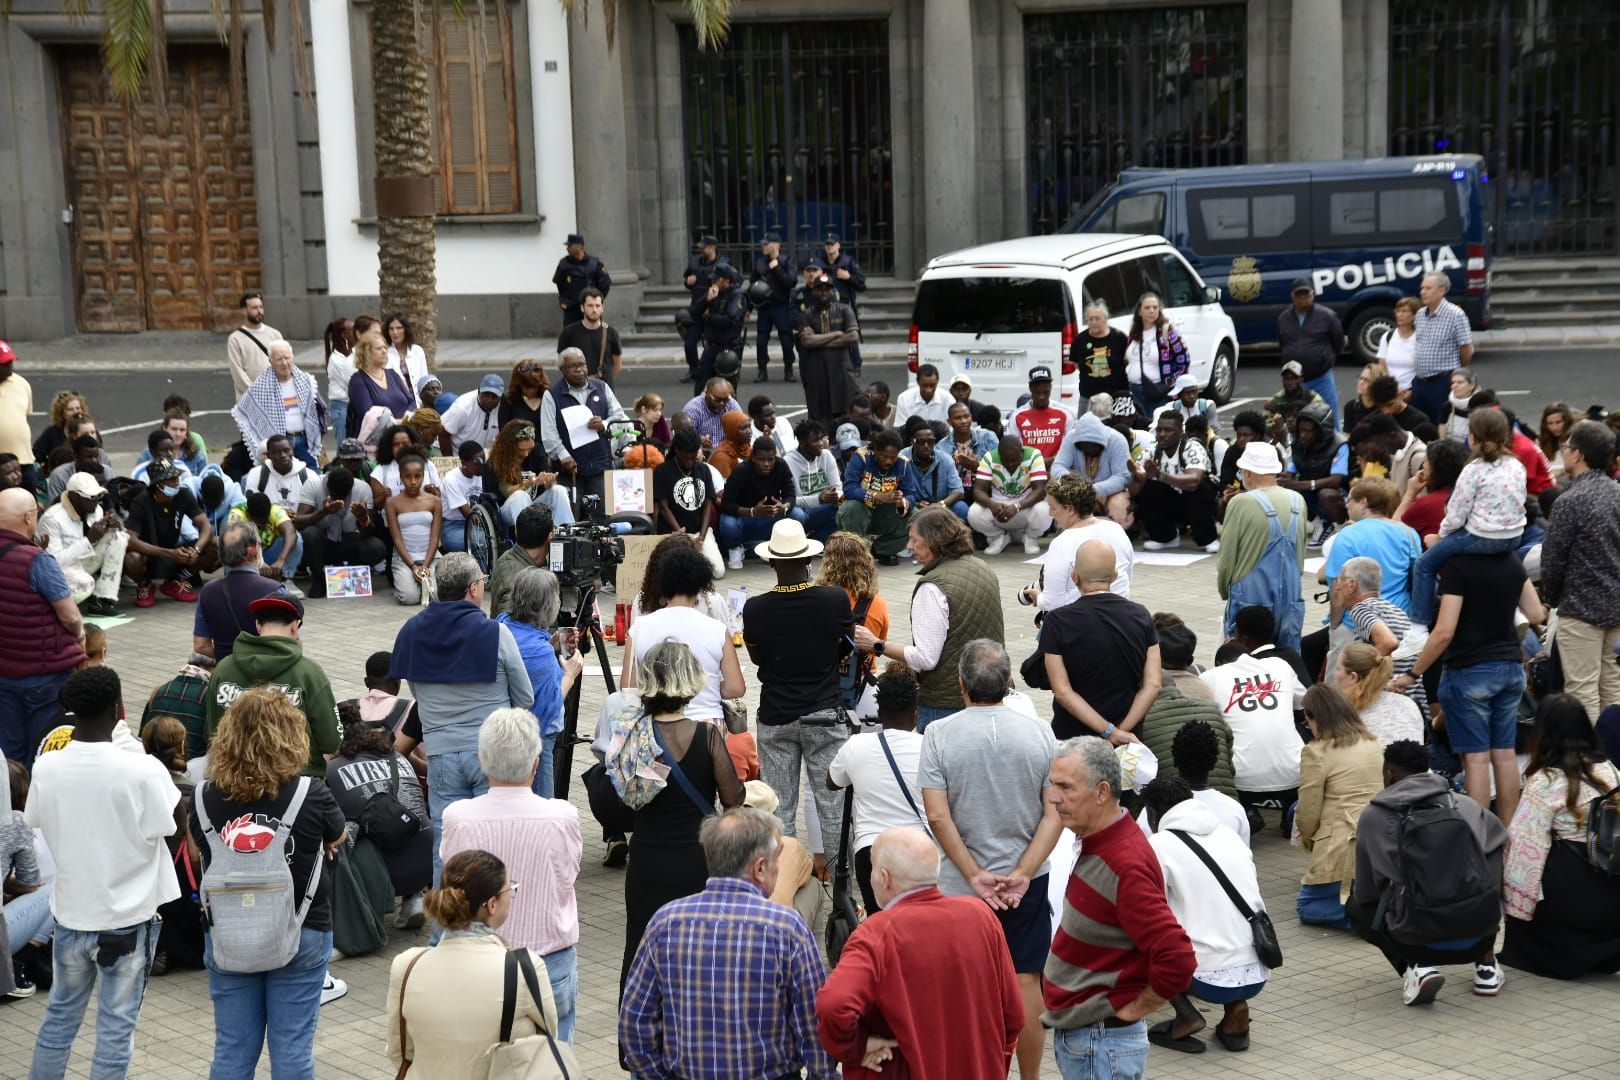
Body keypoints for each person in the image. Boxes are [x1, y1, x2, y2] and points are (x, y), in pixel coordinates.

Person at [25, 667, 180, 1077]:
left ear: (70, 711)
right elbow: (170, 826)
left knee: (59, 1020)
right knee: (115, 1029)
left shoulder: (47, 767)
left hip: (71, 915)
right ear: (117, 709)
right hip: (127, 920)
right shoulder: (142, 769)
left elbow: (36, 819)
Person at [920, 639, 1061, 1080]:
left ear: (961, 684)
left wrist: (975, 874)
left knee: (962, 986)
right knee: (1026, 980)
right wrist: (1022, 872)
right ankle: (1030, 1076)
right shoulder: (1040, 733)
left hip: (961, 886)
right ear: (1010, 682)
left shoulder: (939, 735)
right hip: (1027, 883)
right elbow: (1055, 812)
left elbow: (937, 816)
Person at [192, 687, 346, 1077]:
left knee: (231, 1050)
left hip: (228, 933)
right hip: (302, 929)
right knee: (292, 1049)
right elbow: (338, 834)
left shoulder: (203, 798)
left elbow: (200, 852)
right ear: (291, 736)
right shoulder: (311, 792)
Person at [620, 806, 834, 1079]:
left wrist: (659, 1076)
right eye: (776, 860)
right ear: (760, 868)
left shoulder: (666, 922)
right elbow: (815, 1026)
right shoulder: (787, 928)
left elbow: (635, 1023)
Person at [817, 825, 1023, 1078]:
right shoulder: (981, 916)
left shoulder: (876, 934)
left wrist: (856, 1047)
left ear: (884, 877)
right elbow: (1013, 1014)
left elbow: (833, 1005)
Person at [1045, 736, 1197, 1079]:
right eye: (1053, 784)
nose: (1054, 797)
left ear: (1101, 791)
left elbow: (1177, 958)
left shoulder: (1123, 863)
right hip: (1094, 1038)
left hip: (1100, 1042)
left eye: (1065, 787)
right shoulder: (1102, 841)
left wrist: (1133, 1010)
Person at [390, 553, 536, 883]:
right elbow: (525, 698)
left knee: (447, 843)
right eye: (482, 581)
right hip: (491, 753)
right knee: (493, 842)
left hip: (441, 754)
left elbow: (419, 695)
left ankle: (446, 913)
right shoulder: (496, 633)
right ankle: (494, 909)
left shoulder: (411, 632)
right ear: (473, 588)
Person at [440, 708, 582, 1041]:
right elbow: (568, 874)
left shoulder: (458, 817)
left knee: (483, 1056)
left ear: (482, 761)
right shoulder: (562, 816)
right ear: (536, 763)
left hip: (478, 961)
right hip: (548, 960)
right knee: (552, 1058)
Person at [612, 640, 746, 987]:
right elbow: (733, 798)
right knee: (698, 951)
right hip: (696, 860)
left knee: (640, 947)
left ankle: (638, 1015)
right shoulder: (706, 735)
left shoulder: (634, 735)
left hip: (646, 859)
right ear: (690, 681)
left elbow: (623, 799)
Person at [1346, 739, 1509, 1005]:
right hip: (1478, 934)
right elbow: (1498, 854)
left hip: (1418, 938)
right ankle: (1487, 969)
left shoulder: (1374, 817)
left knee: (1356, 906)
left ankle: (1417, 968)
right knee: (1484, 876)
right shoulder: (1465, 806)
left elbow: (1367, 892)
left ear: (1389, 773)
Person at [1397, 546, 1544, 825]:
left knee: (1476, 759)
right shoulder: (1510, 559)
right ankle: (1509, 832)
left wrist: (1412, 674)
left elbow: (1443, 632)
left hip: (1469, 669)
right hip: (1511, 666)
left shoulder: (1458, 564)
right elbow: (1536, 614)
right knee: (1504, 754)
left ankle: (1480, 833)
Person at [386, 849, 561, 1080]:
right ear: (492, 905)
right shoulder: (523, 968)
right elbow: (549, 1039)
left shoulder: (407, 966)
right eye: (510, 890)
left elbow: (399, 1052)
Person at [741, 521, 851, 866]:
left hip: (777, 714)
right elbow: (845, 648)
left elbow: (757, 657)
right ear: (807, 560)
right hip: (824, 711)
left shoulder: (756, 608)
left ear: (772, 562)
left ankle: (780, 880)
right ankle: (840, 884)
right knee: (833, 806)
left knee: (778, 808)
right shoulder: (834, 600)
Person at [1141, 776, 1268, 1052]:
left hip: (1204, 978)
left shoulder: (1159, 845)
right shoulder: (1228, 835)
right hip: (1259, 968)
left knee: (1142, 930)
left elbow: (1146, 908)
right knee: (1216, 920)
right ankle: (1235, 1010)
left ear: (1152, 813)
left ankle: (1186, 1015)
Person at [1500, 695, 1620, 979]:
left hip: (1572, 891)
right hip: (1613, 878)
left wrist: (1515, 904)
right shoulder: (1611, 769)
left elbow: (1524, 846)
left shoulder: (1546, 779)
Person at [852, 507, 1002, 729]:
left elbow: (925, 659)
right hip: (990, 697)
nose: (909, 546)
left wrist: (876, 644)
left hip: (945, 705)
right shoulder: (983, 568)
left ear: (934, 540)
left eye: (914, 540)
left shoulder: (932, 587)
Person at [1409, 407, 1526, 627]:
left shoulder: (1473, 469)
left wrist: (1441, 537)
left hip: (1483, 536)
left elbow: (1456, 514)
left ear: (1472, 437)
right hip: (1514, 536)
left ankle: (1418, 626)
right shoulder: (1516, 465)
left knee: (1424, 565)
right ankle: (1515, 612)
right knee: (1494, 563)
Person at [204, 591, 341, 777]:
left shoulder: (223, 669)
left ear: (258, 625)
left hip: (235, 779)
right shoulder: (309, 673)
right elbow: (331, 741)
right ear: (295, 626)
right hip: (297, 780)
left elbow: (213, 733)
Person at [1039, 540, 1161, 742]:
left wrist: (1110, 732)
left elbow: (1062, 690)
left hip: (1073, 737)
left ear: (1075, 576)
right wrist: (1121, 732)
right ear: (1114, 575)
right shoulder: (1141, 615)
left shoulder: (1057, 621)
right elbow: (1153, 685)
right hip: (1128, 738)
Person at [828, 665, 925, 913]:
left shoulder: (856, 745)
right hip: (920, 850)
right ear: (915, 715)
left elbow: (832, 781)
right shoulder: (930, 748)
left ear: (879, 713)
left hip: (871, 850)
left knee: (878, 919)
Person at [1540, 420, 1620, 718]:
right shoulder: (1617, 494)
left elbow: (1552, 562)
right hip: (1617, 606)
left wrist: (1552, 597)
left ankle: (1589, 748)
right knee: (1614, 689)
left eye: (1567, 446)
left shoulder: (1569, 502)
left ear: (1578, 454)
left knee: (1582, 689)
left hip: (1580, 609)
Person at [0, 487, 86, 761]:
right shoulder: (37, 560)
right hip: (44, 673)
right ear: (28, 517)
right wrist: (80, 635)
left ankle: (11, 788)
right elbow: (70, 617)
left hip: (4, 671)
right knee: (43, 748)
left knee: (10, 749)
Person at [620, 543, 744, 733]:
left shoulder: (638, 628)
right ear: (700, 584)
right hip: (707, 726)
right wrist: (705, 687)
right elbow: (736, 688)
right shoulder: (717, 630)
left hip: (655, 728)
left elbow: (628, 687)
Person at [325, 709, 430, 922]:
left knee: (340, 835)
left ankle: (359, 914)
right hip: (428, 863)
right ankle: (413, 900)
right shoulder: (398, 758)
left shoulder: (332, 770)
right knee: (401, 821)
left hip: (387, 875)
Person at [1200, 627, 1306, 830]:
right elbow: (1304, 705)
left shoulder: (1211, 677)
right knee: (1296, 723)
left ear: (1220, 664)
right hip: (1295, 776)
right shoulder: (1279, 665)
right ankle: (1291, 812)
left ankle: (1247, 810)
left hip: (1243, 782)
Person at [1296, 684, 1383, 928]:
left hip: (1339, 845)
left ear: (1315, 718)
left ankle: (1372, 921)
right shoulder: (1374, 743)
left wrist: (1308, 839)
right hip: (1378, 841)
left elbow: (1309, 809)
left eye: (1307, 721)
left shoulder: (1316, 751)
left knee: (1307, 907)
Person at [497, 568, 585, 798]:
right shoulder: (540, 653)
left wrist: (549, 644)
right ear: (548, 606)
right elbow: (551, 706)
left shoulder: (502, 623)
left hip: (504, 733)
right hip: (536, 742)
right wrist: (570, 675)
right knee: (542, 806)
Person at [1216, 441, 1308, 649]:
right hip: (1291, 595)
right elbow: (1300, 556)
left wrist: (1224, 590)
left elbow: (1227, 557)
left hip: (1250, 598)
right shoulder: (1297, 501)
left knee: (1245, 657)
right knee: (1287, 657)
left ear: (1247, 473)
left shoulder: (1241, 502)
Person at [540, 346, 628, 513]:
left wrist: (604, 424)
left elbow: (619, 417)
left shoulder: (602, 387)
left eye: (582, 364)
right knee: (572, 517)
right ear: (562, 369)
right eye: (574, 366)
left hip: (600, 468)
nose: (579, 369)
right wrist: (563, 456)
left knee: (602, 515)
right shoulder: (552, 395)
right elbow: (549, 434)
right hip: (569, 471)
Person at [1025, 474, 1134, 610]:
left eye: (1053, 508)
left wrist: (1038, 596)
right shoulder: (1116, 529)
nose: (1050, 514)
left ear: (1070, 509)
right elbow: (1127, 576)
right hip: (1121, 612)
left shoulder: (1061, 543)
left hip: (1082, 617)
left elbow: (1052, 603)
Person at [123, 459, 215, 608]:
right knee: (132, 558)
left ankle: (177, 581)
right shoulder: (141, 501)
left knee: (215, 544)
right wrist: (169, 553)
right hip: (150, 555)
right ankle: (145, 585)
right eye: (170, 479)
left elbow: (206, 526)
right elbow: (130, 540)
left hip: (175, 551)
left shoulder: (183, 494)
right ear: (157, 484)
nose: (176, 481)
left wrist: (196, 550)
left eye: (176, 477)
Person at [1324, 477, 1420, 615]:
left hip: (1360, 620)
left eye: (1349, 499)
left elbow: (1336, 587)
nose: (1346, 504)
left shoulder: (1348, 535)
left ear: (1363, 502)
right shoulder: (1408, 533)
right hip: (1400, 616)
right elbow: (1417, 576)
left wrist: (1334, 623)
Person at [190, 519, 283, 663]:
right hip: (268, 671)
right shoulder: (275, 590)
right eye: (260, 544)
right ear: (254, 550)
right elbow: (291, 644)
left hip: (225, 673)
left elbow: (201, 646)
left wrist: (231, 662)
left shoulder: (208, 591)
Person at [37, 471, 127, 617]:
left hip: (81, 562)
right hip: (59, 571)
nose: (97, 501)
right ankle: (59, 608)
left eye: (99, 496)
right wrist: (88, 540)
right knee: (84, 583)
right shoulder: (52, 518)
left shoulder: (96, 510)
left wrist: (115, 526)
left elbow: (97, 546)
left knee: (118, 537)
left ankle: (103, 600)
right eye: (92, 497)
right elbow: (53, 561)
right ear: (74, 496)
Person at [294, 465, 385, 599]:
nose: (340, 499)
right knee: (310, 533)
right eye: (335, 494)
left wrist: (363, 519)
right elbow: (298, 522)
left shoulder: (362, 488)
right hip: (321, 544)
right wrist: (323, 512)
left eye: (344, 495)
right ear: (327, 486)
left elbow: (369, 532)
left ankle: (348, 576)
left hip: (348, 540)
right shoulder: (314, 484)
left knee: (376, 547)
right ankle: (318, 578)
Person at [232, 340, 325, 470]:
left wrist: (319, 435)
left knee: (312, 476)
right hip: (280, 446)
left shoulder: (306, 381)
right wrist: (263, 446)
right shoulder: (261, 386)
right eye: (279, 359)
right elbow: (243, 411)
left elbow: (318, 410)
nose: (284, 363)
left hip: (305, 441)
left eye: (287, 358)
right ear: (270, 361)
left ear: (292, 357)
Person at [1139, 410, 1219, 553]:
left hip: (1202, 503)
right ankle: (1165, 538)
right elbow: (1134, 489)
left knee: (1199, 488)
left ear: (1181, 432)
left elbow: (1194, 481)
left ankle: (1208, 539)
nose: (1162, 434)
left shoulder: (1192, 448)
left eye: (1168, 430)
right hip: (1174, 503)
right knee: (1148, 488)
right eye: (1159, 430)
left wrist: (1160, 475)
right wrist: (1138, 476)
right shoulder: (1151, 450)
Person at [838, 428, 919, 565]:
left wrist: (902, 502)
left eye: (892, 457)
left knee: (917, 517)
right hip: (860, 513)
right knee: (851, 507)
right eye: (883, 456)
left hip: (885, 515)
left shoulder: (903, 463)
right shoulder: (861, 457)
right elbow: (849, 488)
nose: (888, 461)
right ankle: (855, 554)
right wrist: (877, 496)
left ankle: (879, 550)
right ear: (876, 450)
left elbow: (911, 494)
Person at [969, 432, 1052, 556]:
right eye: (1006, 460)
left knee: (1045, 510)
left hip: (1026, 506)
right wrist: (992, 505)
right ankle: (998, 537)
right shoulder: (990, 457)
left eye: (1014, 460)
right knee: (974, 513)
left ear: (1021, 452)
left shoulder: (1033, 455)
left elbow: (1040, 491)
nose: (1010, 464)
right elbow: (978, 491)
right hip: (999, 509)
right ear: (999, 454)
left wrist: (1017, 507)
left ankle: (1030, 537)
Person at [1277, 278, 1346, 427]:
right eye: (1299, 294)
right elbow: (1283, 343)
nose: (1303, 297)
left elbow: (1339, 342)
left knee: (1330, 417)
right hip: (1294, 382)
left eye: (1306, 294)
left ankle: (1338, 442)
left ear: (1313, 294)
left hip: (1321, 377)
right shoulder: (1284, 318)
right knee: (1298, 421)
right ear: (1292, 296)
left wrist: (1325, 358)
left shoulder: (1327, 316)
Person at [1409, 271, 1475, 424]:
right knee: (1419, 426)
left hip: (1442, 382)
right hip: (1419, 382)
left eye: (1428, 288)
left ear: (1442, 291)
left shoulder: (1455, 315)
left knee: (1441, 424)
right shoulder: (1420, 314)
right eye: (1422, 288)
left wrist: (1456, 371)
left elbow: (1466, 348)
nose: (1422, 292)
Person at [485, 419, 573, 532]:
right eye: (521, 449)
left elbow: (548, 482)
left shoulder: (537, 451)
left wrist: (549, 482)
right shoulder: (497, 461)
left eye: (529, 449)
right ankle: (529, 538)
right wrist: (529, 483)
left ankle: (565, 535)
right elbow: (507, 491)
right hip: (506, 510)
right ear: (510, 446)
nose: (526, 454)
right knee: (520, 496)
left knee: (558, 490)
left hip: (535, 505)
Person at [798, 272, 860, 428]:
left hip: (842, 368)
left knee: (846, 413)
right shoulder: (807, 314)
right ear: (813, 291)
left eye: (827, 289)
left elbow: (853, 336)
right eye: (819, 289)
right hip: (817, 370)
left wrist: (819, 340)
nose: (823, 292)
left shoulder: (844, 309)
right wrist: (837, 333)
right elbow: (806, 341)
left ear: (833, 291)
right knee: (819, 415)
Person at [1280, 401, 1350, 541]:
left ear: (1321, 430)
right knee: (1286, 493)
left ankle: (1342, 526)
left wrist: (1301, 485)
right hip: (1311, 490)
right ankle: (1321, 523)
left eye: (1308, 431)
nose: (1302, 435)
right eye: (1301, 430)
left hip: (1340, 494)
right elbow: (1290, 473)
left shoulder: (1339, 445)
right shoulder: (1298, 444)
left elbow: (1336, 480)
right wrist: (1280, 481)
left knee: (1326, 494)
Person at [1334, 642, 1423, 746]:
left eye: (1338, 669)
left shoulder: (1346, 715)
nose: (1335, 674)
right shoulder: (1408, 703)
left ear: (1353, 677)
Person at [384, 451, 443, 604]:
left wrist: (425, 566)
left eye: (418, 476)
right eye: (407, 477)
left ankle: (419, 583)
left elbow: (435, 537)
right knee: (409, 598)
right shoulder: (392, 503)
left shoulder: (434, 501)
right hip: (404, 559)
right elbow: (396, 538)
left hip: (431, 558)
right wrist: (412, 566)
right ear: (401, 477)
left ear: (423, 476)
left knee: (436, 595)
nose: (413, 481)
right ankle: (406, 583)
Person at [1124, 291, 1191, 420]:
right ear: (1139, 311)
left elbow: (1184, 358)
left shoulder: (1166, 331)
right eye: (1147, 307)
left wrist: (1171, 383)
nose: (1151, 311)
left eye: (1155, 307)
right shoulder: (1134, 333)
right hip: (1135, 390)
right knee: (1140, 426)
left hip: (1157, 391)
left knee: (1158, 425)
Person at [141, 653, 215, 761]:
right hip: (191, 765)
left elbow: (143, 736)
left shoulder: (159, 691)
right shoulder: (210, 696)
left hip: (155, 762)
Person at [228, 490, 304, 595]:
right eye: (257, 523)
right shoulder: (237, 513)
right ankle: (239, 582)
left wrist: (281, 560)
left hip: (267, 554)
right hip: (245, 558)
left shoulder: (275, 510)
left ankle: (285, 579)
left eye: (264, 521)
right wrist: (258, 562)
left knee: (296, 538)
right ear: (249, 514)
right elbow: (235, 543)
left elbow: (290, 532)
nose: (261, 525)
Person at [488, 503, 553, 617]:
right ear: (550, 537)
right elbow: (511, 625)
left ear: (516, 532)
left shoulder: (510, 558)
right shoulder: (517, 582)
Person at [346, 330, 414, 438]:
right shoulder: (358, 381)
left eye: (385, 348)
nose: (384, 351)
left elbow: (412, 401)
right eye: (378, 349)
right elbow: (367, 414)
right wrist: (394, 422)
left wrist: (407, 416)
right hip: (378, 440)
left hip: (404, 434)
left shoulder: (392, 374)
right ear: (366, 353)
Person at [748, 232, 797, 381]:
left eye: (766, 243)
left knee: (786, 339)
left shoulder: (787, 261)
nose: (763, 246)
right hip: (764, 307)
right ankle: (762, 370)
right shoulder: (760, 263)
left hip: (781, 305)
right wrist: (749, 308)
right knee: (761, 340)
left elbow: (791, 282)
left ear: (776, 245)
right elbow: (752, 286)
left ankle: (789, 369)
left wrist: (777, 268)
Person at [784, 419, 843, 540]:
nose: (821, 443)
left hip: (824, 508)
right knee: (796, 515)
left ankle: (817, 540)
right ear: (802, 443)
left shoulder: (826, 455)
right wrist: (818, 499)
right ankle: (797, 542)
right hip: (802, 511)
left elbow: (838, 488)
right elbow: (789, 500)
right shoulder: (787, 462)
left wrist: (835, 496)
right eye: (815, 440)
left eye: (821, 438)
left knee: (845, 507)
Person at [901, 422, 965, 520]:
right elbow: (896, 491)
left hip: (941, 505)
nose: (926, 445)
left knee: (961, 507)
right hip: (914, 506)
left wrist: (941, 504)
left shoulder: (945, 459)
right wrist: (915, 504)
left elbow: (959, 491)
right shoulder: (902, 458)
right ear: (912, 442)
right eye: (921, 442)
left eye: (930, 441)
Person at [227, 292, 284, 398]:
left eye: (261, 307)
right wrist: (257, 394)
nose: (259, 311)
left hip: (275, 396)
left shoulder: (275, 334)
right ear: (244, 311)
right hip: (249, 399)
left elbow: (284, 363)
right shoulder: (235, 339)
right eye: (254, 308)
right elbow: (237, 372)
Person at [1012, 365, 1074, 464]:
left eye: (1045, 392)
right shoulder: (1017, 416)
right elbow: (1013, 450)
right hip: (1027, 467)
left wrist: (1054, 461)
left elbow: (1071, 447)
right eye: (1037, 392)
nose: (1041, 396)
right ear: (1030, 388)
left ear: (1051, 387)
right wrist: (1037, 463)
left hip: (1057, 466)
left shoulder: (1065, 414)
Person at [1073, 298, 1129, 400]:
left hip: (1117, 395)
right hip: (1088, 396)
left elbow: (1127, 361)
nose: (1094, 322)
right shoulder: (1079, 340)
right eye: (1090, 319)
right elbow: (1077, 364)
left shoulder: (1120, 338)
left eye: (1097, 318)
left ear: (1105, 319)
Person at [553, 232, 611, 326]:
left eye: (570, 246)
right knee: (570, 334)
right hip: (571, 310)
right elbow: (560, 284)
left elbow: (605, 285)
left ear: (579, 247)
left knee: (592, 332)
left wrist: (595, 301)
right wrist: (564, 300)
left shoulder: (595, 265)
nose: (567, 248)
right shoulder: (564, 264)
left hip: (590, 310)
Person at [440, 374, 506, 457]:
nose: (489, 400)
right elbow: (443, 435)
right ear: (479, 391)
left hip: (482, 456)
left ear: (500, 397)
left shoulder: (505, 407)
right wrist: (451, 460)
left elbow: (513, 433)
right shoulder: (462, 408)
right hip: (456, 454)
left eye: (494, 397)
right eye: (486, 394)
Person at [1377, 296, 1420, 393]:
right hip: (1390, 390)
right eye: (1398, 311)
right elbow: (1382, 366)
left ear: (1414, 315)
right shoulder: (1387, 336)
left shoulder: (1420, 338)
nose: (1400, 314)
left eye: (1404, 311)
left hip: (1412, 390)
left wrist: (1410, 392)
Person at [893, 363, 950, 429]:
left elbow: (951, 428)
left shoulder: (947, 399)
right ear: (917, 381)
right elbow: (900, 427)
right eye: (925, 386)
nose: (928, 390)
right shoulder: (904, 399)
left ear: (937, 381)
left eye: (932, 385)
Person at [707, 408, 754, 480]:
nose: (749, 431)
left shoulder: (747, 449)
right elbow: (725, 485)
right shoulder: (721, 457)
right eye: (743, 428)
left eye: (749, 426)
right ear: (731, 430)